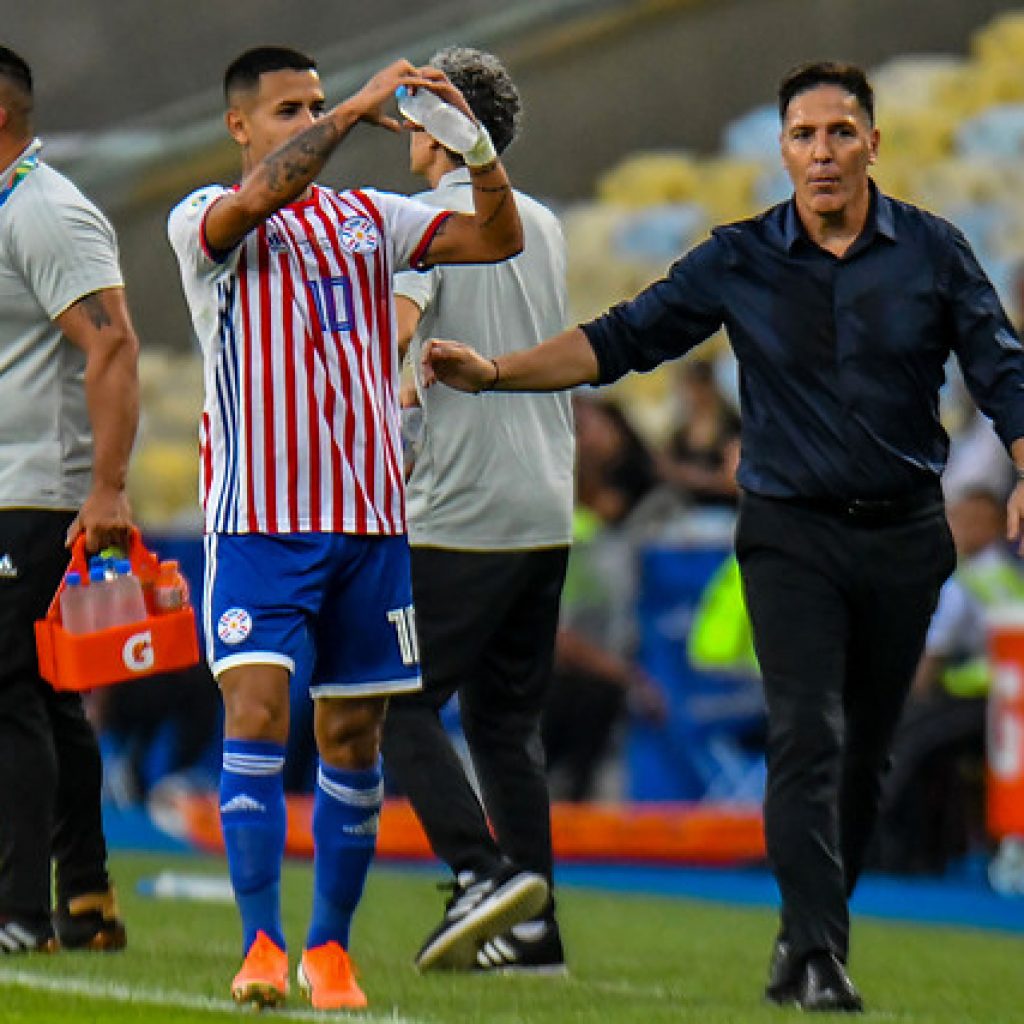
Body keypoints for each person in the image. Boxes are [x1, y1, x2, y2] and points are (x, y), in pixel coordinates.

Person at [419, 61, 1024, 1012]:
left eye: (839, 133)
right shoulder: (739, 256)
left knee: (868, 752)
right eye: (802, 135)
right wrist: (494, 371)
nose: (821, 152)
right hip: (788, 534)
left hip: (905, 535)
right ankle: (819, 954)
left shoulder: (936, 252)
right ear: (782, 151)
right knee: (804, 735)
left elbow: (1000, 365)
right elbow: (622, 337)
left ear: (874, 142)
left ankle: (809, 933)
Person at [166, 47, 524, 1010]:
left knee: (356, 734)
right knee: (254, 714)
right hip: (258, 524)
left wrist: (475, 149)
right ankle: (258, 944)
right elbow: (259, 202)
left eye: (319, 105)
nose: (313, 119)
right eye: (289, 108)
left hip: (368, 522)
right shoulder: (204, 219)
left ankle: (328, 950)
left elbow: (498, 239)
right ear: (240, 125)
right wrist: (362, 105)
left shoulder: (372, 220)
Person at [379, 47, 573, 975]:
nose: (405, 135)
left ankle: (478, 872)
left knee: (390, 696)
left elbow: (401, 337)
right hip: (546, 503)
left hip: (462, 506)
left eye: (415, 116)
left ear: (438, 127)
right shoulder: (541, 219)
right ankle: (532, 930)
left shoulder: (422, 220)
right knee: (503, 725)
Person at [0, 45, 136, 953]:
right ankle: (83, 900)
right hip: (17, 485)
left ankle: (16, 911)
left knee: (8, 693)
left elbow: (113, 345)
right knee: (44, 696)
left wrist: (107, 487)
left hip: (37, 493)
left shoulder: (47, 212)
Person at [879, 488, 1024, 875]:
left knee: (904, 740)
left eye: (963, 520)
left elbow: (929, 664)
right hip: (1003, 707)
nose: (954, 528)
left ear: (993, 525)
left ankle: (890, 850)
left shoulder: (964, 584)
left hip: (983, 706)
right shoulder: (1011, 575)